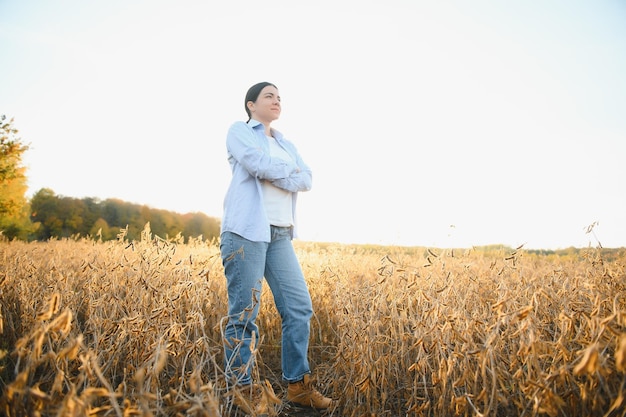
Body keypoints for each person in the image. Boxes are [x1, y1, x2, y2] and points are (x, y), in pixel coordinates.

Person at [220, 82, 335, 414]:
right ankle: (242, 390)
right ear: (251, 105)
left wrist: (277, 173)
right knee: (244, 314)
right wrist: (287, 173)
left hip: (281, 235)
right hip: (246, 233)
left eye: (279, 97)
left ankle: (298, 387)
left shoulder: (285, 143)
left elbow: (308, 179)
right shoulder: (239, 132)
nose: (277, 100)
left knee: (299, 308)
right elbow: (257, 164)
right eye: (269, 95)